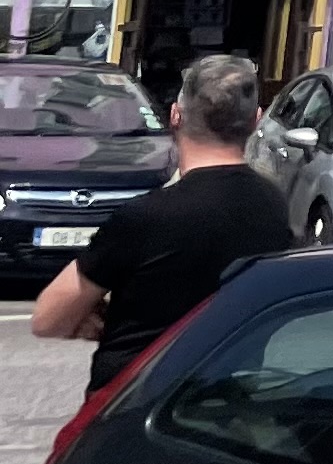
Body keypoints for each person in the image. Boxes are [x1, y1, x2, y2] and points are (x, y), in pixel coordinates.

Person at [29, 51, 296, 396]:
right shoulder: (274, 205)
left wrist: (101, 314)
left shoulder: (146, 216)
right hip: (229, 398)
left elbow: (48, 319)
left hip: (135, 402)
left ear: (175, 115)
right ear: (256, 121)